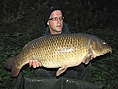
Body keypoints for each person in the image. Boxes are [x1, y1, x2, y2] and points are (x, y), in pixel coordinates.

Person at [29, 6, 92, 81]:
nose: (59, 21)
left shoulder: (72, 38)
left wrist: (82, 61)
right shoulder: (42, 41)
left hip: (70, 73)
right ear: (48, 22)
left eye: (60, 18)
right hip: (51, 71)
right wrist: (35, 64)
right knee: (39, 70)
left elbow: (81, 68)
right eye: (55, 18)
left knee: (87, 65)